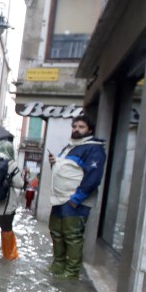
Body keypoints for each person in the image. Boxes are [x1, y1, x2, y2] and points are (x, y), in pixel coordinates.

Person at [47, 114, 107, 279]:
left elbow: (93, 177)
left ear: (89, 130)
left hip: (74, 201)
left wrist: (76, 199)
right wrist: (54, 162)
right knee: (56, 232)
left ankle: (71, 272)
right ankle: (58, 264)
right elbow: (66, 171)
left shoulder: (93, 149)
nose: (76, 129)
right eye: (74, 126)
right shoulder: (70, 147)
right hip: (59, 199)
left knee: (72, 236)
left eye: (81, 127)